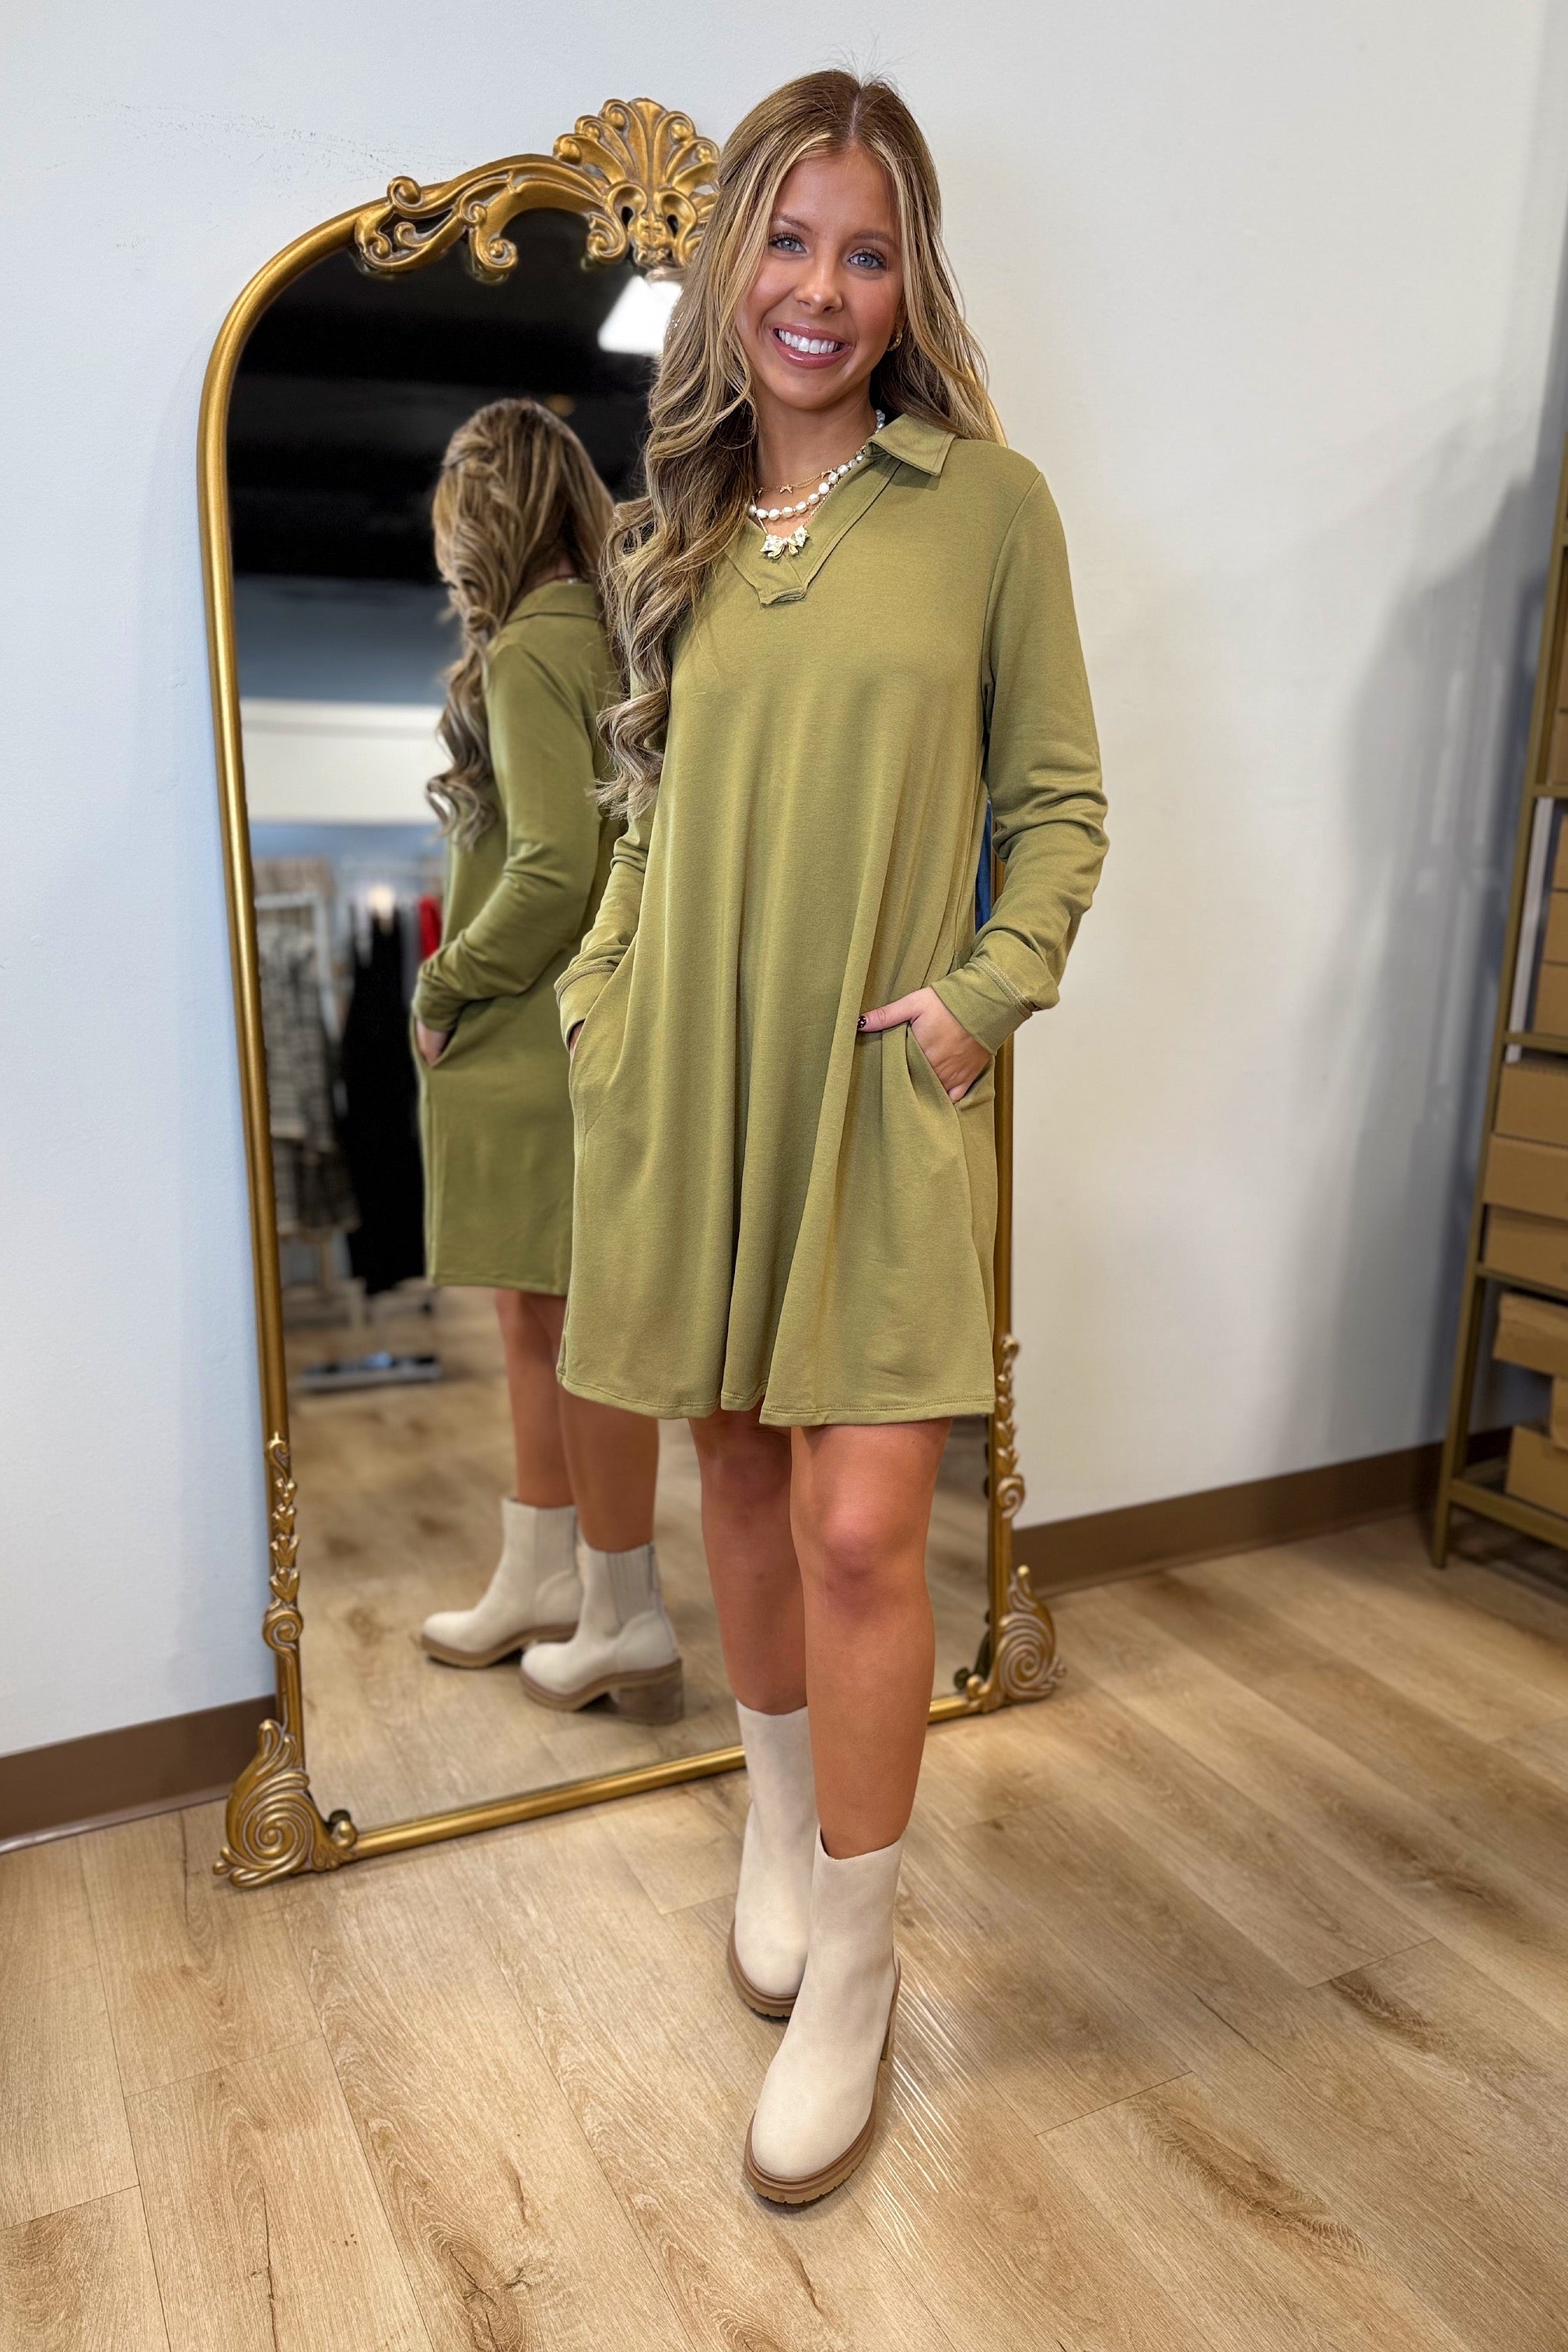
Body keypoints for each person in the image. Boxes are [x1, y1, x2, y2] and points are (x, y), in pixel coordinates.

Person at [558, 71, 1108, 2200]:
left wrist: (981, 1002)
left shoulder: (987, 510)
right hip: (693, 1083)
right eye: (788, 241)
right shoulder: (667, 542)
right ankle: (777, 1832)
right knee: (735, 1475)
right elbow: (639, 819)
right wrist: (607, 998)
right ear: (733, 268)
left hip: (882, 1088)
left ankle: (861, 1970)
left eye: (866, 251)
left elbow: (1058, 806)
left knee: (868, 1529)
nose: (822, 287)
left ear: (909, 283)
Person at [411, 398, 679, 1725]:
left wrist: (442, 979)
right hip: (586, 1027)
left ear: (486, 517)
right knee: (550, 1324)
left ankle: (622, 1610)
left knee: (574, 1334)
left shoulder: (528, 649)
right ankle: (548, 1579)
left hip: (530, 1032)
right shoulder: (608, 638)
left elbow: (551, 870)